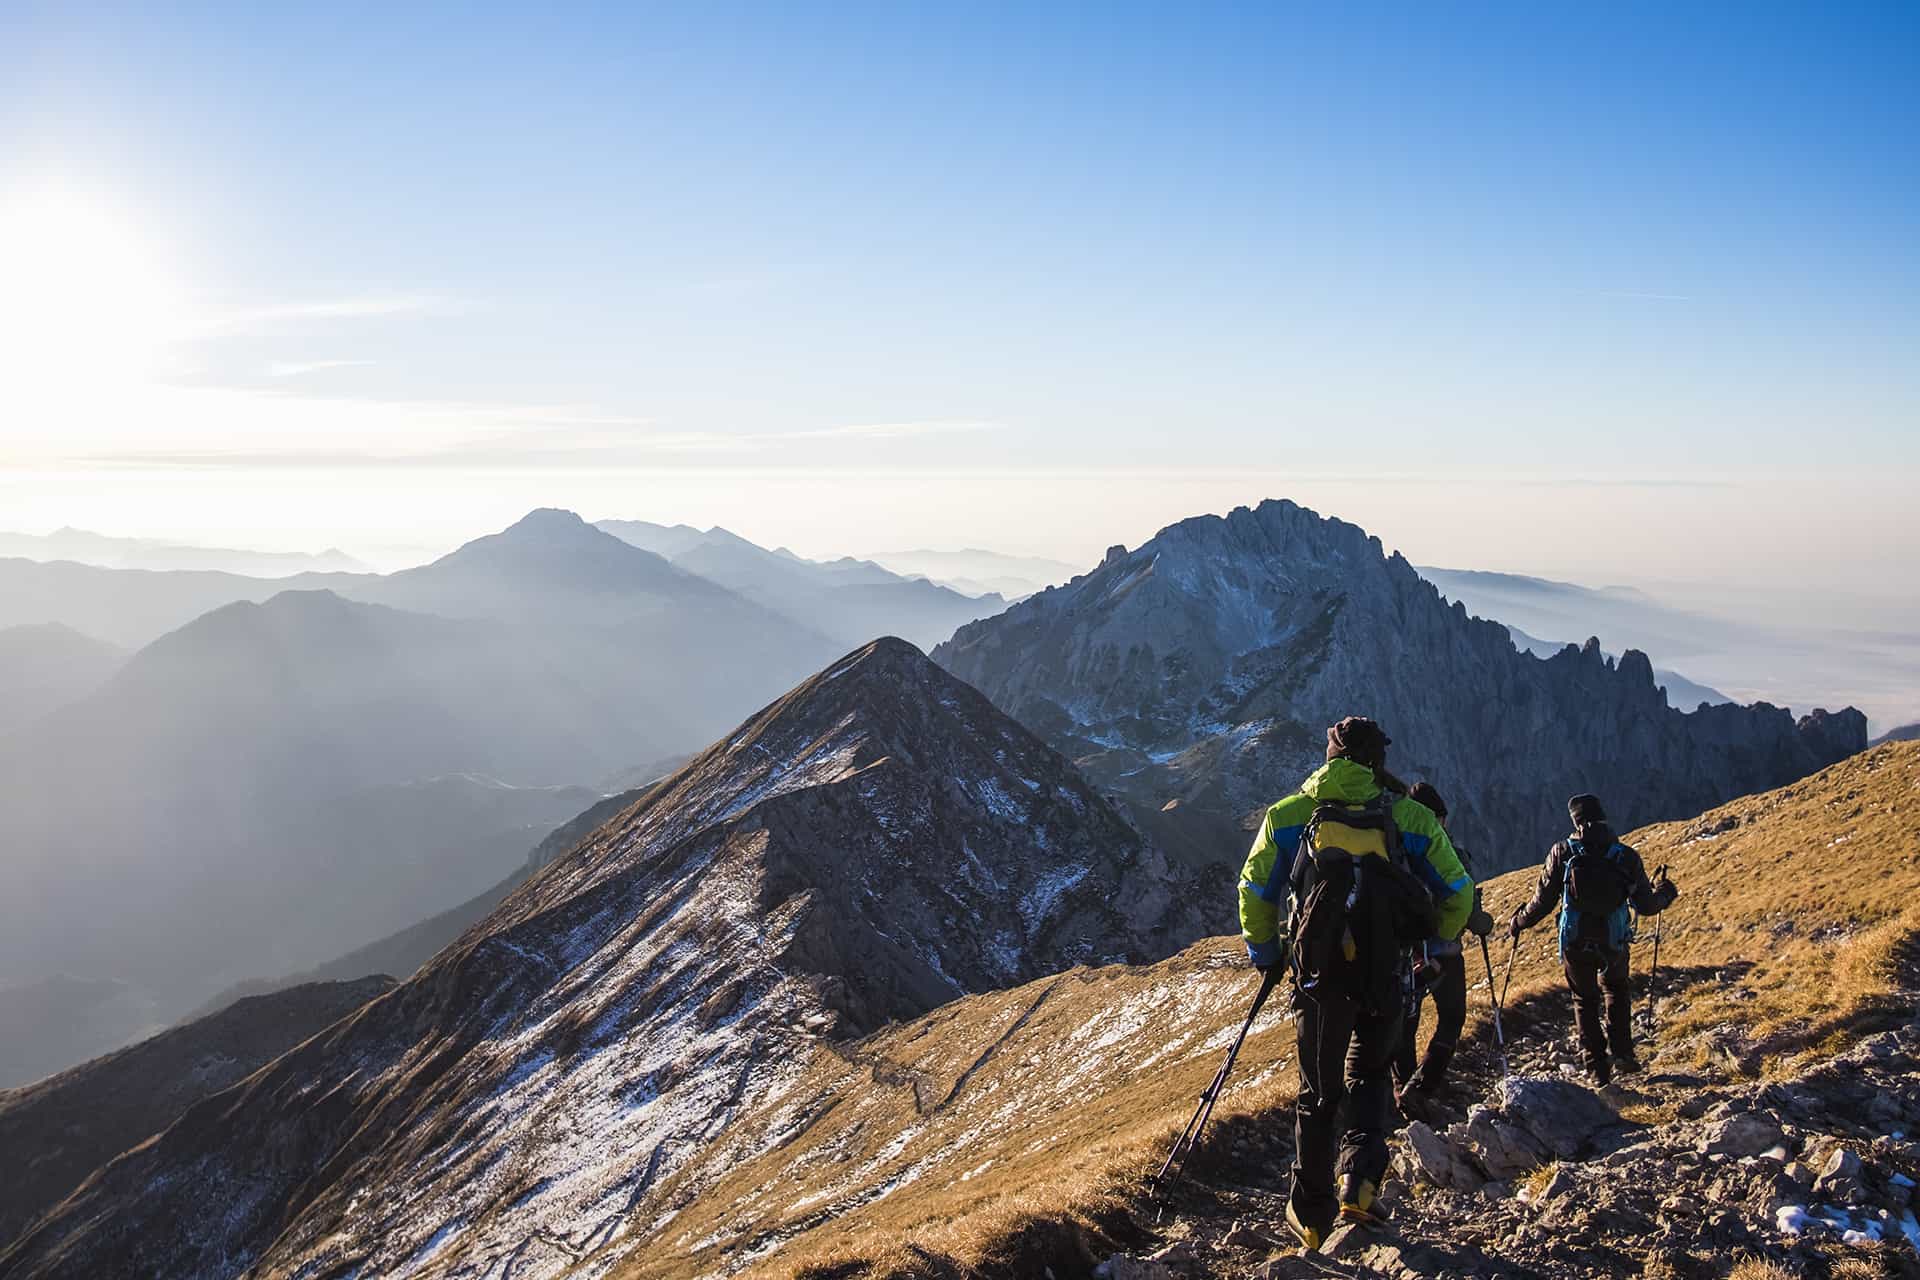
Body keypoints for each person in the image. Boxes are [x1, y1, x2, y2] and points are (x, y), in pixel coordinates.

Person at [1239, 718, 1474, 1250]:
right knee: (1370, 1075)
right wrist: (1437, 945)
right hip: (1387, 973)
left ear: (1329, 758)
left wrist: (1267, 955)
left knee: (1318, 1092)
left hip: (1319, 980)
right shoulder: (1409, 816)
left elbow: (1255, 889)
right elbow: (1458, 890)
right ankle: (1361, 1184)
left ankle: (1312, 1217)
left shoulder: (1289, 815)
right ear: (1376, 760)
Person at [1507, 793, 1679, 1086]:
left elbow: (1543, 901)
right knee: (1616, 990)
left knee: (1584, 1001)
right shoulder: (1625, 855)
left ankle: (1597, 1069)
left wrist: (1518, 920)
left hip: (1576, 940)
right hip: (1614, 939)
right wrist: (1666, 892)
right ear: (1603, 818)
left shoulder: (1563, 852)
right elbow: (1646, 906)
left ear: (1575, 821)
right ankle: (1624, 1054)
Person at [1392, 782, 1495, 1109]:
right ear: (1440, 817)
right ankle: (1424, 1084)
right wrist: (1480, 923)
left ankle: (1402, 1088)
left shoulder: (1394, 853)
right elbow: (1467, 908)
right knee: (1452, 1017)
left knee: (1405, 1024)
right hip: (1445, 953)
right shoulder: (1451, 852)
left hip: (1403, 954)